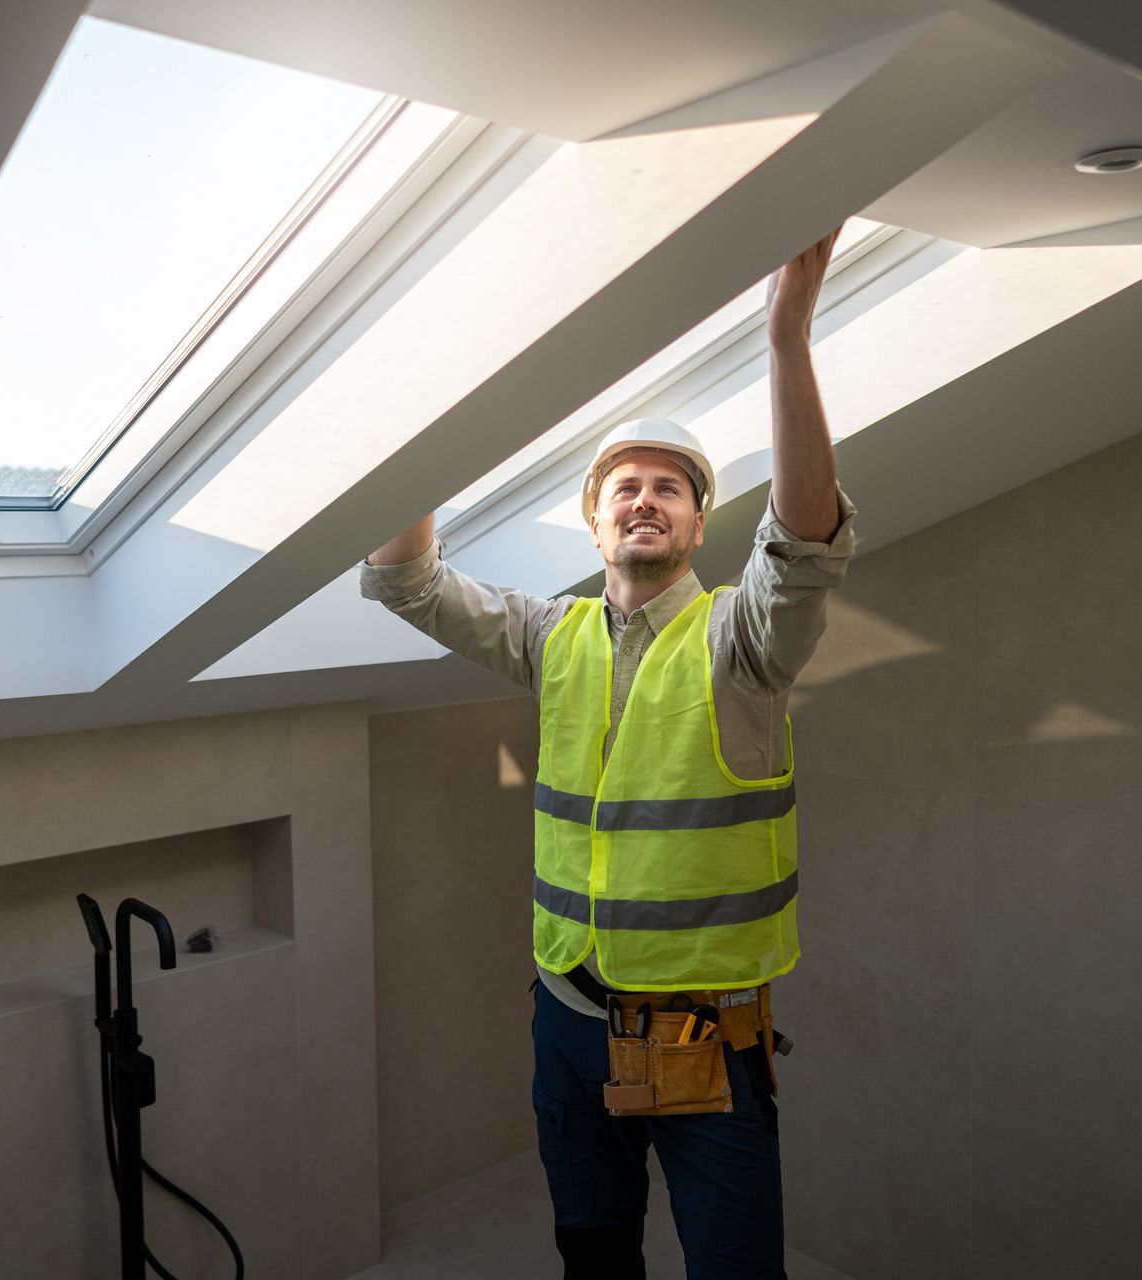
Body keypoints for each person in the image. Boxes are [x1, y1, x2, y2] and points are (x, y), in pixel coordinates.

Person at [360, 227, 858, 1279]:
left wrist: (787, 336)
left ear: (698, 522)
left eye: (668, 487)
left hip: (709, 1044)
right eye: (623, 486)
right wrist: (423, 391)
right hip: (567, 1018)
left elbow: (807, 543)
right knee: (593, 1252)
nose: (644, 497)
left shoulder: (741, 642)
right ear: (594, 524)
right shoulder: (554, 634)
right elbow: (408, 579)